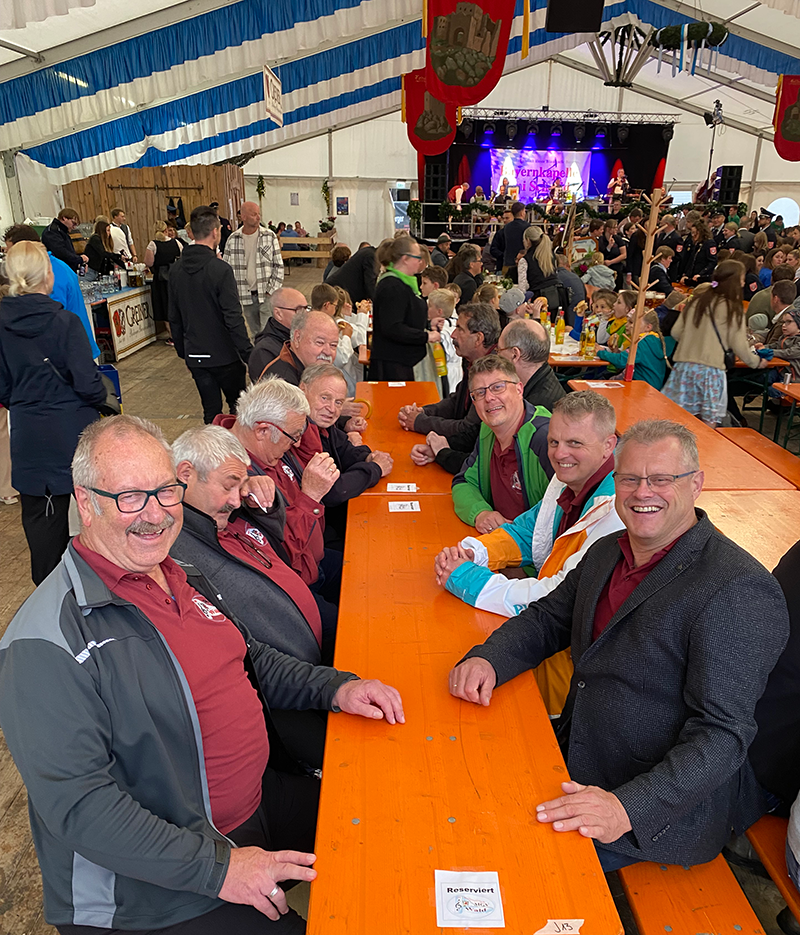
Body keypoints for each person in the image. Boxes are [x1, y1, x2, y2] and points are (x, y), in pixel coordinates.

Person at [0, 413, 405, 935]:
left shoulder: (181, 575)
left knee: (386, 812)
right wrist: (222, 869)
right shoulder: (44, 641)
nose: (154, 514)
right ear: (84, 502)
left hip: (254, 803)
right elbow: (81, 809)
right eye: (128, 496)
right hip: (155, 884)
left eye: (165, 492)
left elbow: (251, 658)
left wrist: (340, 686)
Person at [448, 418, 789, 873]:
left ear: (697, 485)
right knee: (464, 797)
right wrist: (490, 657)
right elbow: (550, 618)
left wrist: (624, 808)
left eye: (662, 479)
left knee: (514, 864)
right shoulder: (609, 548)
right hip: (578, 749)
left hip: (650, 805)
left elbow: (721, 737)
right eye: (630, 478)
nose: (642, 492)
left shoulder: (737, 588)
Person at [434, 391, 622, 711]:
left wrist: (469, 580)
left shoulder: (617, 513)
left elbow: (558, 599)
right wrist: (473, 551)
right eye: (554, 442)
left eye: (575, 443)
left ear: (609, 445)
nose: (560, 453)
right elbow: (529, 530)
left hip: (575, 676)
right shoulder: (568, 478)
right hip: (538, 648)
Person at [0, 241, 106, 584]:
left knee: (42, 530)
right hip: (72, 435)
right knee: (91, 519)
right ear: (46, 275)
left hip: (29, 438)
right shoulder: (65, 322)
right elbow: (89, 385)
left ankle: (49, 604)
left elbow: (2, 388)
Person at [216, 379, 342, 604]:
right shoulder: (237, 484)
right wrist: (310, 496)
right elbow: (285, 552)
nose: (297, 443)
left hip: (315, 562)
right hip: (295, 584)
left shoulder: (268, 446)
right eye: (293, 435)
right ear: (262, 430)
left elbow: (311, 448)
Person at [168, 205, 252, 424]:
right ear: (216, 231)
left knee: (211, 412)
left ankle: (212, 455)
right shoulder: (220, 270)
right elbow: (233, 317)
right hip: (226, 356)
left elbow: (174, 317)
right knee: (238, 409)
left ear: (192, 232)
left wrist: (183, 352)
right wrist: (248, 354)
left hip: (196, 355)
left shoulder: (176, 270)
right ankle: (236, 454)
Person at [451, 355, 553, 532]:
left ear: (519, 389)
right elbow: (464, 482)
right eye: (480, 392)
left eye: (498, 387)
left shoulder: (545, 439)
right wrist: (481, 513)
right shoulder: (488, 431)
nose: (489, 398)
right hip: (498, 542)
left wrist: (513, 534)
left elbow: (563, 512)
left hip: (534, 551)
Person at [664, 259, 766, 426]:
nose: (743, 282)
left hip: (684, 368)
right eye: (741, 278)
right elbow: (739, 345)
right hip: (710, 370)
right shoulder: (733, 308)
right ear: (733, 281)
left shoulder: (697, 301)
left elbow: (676, 332)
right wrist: (757, 362)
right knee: (707, 423)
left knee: (678, 419)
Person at [300, 364, 392, 543]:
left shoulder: (321, 424)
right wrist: (374, 468)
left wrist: (367, 457)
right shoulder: (299, 432)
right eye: (325, 398)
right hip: (320, 536)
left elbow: (344, 448)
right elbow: (332, 491)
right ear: (303, 390)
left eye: (339, 402)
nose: (332, 408)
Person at [402, 303, 500, 468]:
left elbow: (468, 429)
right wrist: (424, 411)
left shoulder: (492, 374)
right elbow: (457, 400)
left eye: (460, 329)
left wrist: (420, 422)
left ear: (478, 339)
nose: (453, 335)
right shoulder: (475, 362)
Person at [3, 224, 100, 358]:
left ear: (26, 249)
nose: (9, 259)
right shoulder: (55, 265)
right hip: (74, 349)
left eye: (11, 252)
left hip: (70, 355)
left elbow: (46, 324)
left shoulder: (47, 274)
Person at [370, 236, 441, 382]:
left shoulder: (404, 284)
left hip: (404, 362)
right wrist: (426, 336)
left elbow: (407, 317)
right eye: (417, 257)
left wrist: (427, 326)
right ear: (405, 259)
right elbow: (392, 327)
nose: (420, 262)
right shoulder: (392, 286)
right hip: (395, 365)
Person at [223, 200, 284, 338]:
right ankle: (258, 357)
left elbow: (278, 265)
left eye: (259, 214)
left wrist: (271, 290)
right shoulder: (233, 239)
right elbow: (226, 269)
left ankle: (268, 357)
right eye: (254, 214)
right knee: (255, 333)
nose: (258, 217)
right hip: (245, 295)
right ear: (243, 217)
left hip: (266, 294)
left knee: (268, 332)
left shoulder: (269, 236)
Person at [497, 318, 565, 411]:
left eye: (499, 350)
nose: (498, 356)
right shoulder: (543, 378)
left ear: (515, 355)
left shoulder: (534, 408)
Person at [597, 310, 676, 389]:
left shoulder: (641, 343)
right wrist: (616, 351)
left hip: (641, 389)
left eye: (632, 323)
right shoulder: (655, 340)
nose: (628, 326)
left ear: (648, 327)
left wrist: (600, 352)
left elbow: (621, 361)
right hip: (652, 388)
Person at [260, 309, 340, 385]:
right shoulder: (281, 382)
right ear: (297, 338)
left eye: (333, 345)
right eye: (320, 342)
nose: (328, 352)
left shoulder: (311, 369)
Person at [248, 287, 310, 381]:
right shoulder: (265, 352)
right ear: (278, 314)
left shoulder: (298, 334)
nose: (305, 315)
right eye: (299, 310)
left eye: (307, 309)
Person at [144, 219, 182, 345]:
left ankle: (172, 335)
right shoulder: (176, 243)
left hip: (161, 280)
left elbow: (148, 263)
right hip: (176, 278)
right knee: (177, 305)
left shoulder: (153, 245)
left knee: (165, 306)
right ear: (166, 230)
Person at [518, 226, 560, 309]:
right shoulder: (551, 256)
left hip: (537, 301)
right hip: (556, 296)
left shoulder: (525, 260)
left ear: (527, 240)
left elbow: (522, 288)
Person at [490, 202, 529, 281]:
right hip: (522, 264)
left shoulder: (506, 228)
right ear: (522, 212)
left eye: (507, 218)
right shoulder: (527, 227)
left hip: (507, 263)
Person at [555, 253, 586, 325]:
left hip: (565, 319)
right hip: (579, 317)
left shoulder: (555, 277)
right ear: (567, 265)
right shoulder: (576, 277)